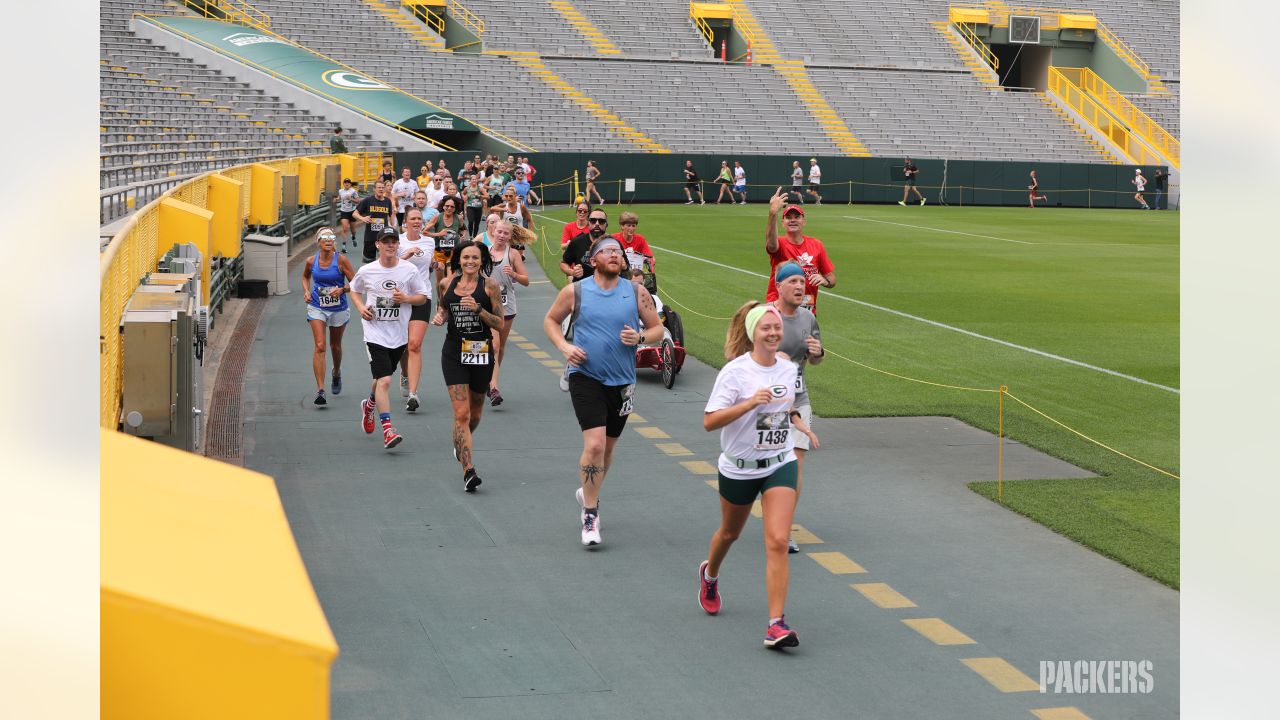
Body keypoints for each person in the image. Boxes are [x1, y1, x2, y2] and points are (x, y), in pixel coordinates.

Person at [696, 301, 818, 648]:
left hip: (780, 462)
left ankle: (776, 624)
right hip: (740, 467)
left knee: (778, 540)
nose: (773, 333)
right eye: (766, 328)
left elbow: (784, 406)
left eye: (777, 328)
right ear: (752, 333)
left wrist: (799, 425)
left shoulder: (786, 367)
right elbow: (709, 421)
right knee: (730, 533)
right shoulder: (735, 373)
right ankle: (710, 573)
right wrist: (749, 403)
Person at [543, 236, 664, 546]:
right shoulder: (576, 291)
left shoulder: (636, 292)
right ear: (593, 259)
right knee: (595, 445)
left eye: (617, 251)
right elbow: (551, 321)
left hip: (622, 381)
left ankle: (588, 490)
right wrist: (564, 346)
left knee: (608, 449)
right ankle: (591, 513)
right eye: (607, 251)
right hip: (585, 376)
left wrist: (639, 337)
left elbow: (657, 329)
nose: (614, 254)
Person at [432, 240, 504, 492]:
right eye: (465, 258)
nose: (470, 262)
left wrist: (479, 310)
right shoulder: (446, 283)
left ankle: (461, 442)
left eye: (475, 258)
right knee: (461, 414)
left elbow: (499, 323)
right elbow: (443, 308)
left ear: (482, 261)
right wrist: (440, 316)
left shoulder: (490, 286)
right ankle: (469, 470)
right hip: (453, 353)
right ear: (459, 260)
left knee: (474, 415)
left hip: (481, 353)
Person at [349, 227, 429, 450]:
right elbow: (354, 289)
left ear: (398, 245)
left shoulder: (409, 270)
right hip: (374, 332)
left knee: (381, 378)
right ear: (378, 245)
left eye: (394, 241)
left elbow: (422, 298)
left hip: (399, 334)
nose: (390, 245)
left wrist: (406, 298)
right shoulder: (367, 270)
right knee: (385, 380)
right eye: (386, 242)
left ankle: (369, 404)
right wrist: (360, 307)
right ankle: (388, 431)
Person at [769, 263, 825, 554]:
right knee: (770, 463)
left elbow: (815, 359)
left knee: (795, 464)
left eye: (802, 281)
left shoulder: (808, 317)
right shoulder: (767, 317)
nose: (800, 286)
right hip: (768, 402)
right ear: (779, 285)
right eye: (792, 281)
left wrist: (818, 353)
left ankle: (785, 526)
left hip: (799, 399)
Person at [301, 228, 356, 406]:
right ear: (318, 242)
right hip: (317, 306)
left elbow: (356, 282)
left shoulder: (341, 260)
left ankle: (336, 372)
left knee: (335, 346)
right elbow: (305, 276)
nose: (328, 240)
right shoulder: (311, 261)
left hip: (338, 307)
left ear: (334, 241)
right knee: (320, 346)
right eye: (324, 237)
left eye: (331, 237)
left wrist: (343, 289)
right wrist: (307, 290)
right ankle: (320, 390)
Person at [764, 189, 836, 314]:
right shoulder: (780, 243)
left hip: (807, 311)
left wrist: (825, 280)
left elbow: (832, 279)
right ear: (783, 223)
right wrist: (773, 213)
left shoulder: (816, 245)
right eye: (788, 217)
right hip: (779, 310)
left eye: (797, 217)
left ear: (804, 222)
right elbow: (771, 243)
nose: (792, 220)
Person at [395, 207, 435, 412]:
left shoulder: (429, 241)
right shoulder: (398, 241)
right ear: (406, 222)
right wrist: (407, 255)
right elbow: (390, 266)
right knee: (403, 346)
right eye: (413, 218)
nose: (417, 221)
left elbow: (429, 266)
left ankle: (413, 393)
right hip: (401, 298)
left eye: (420, 218)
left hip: (422, 297)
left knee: (415, 344)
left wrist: (435, 265)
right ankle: (404, 374)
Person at [486, 221, 530, 406]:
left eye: (505, 233)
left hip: (507, 306)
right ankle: (494, 387)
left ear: (510, 236)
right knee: (494, 345)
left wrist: (513, 274)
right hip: (488, 306)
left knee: (500, 347)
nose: (502, 235)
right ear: (493, 232)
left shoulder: (512, 254)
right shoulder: (484, 252)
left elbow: (526, 280)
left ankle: (491, 379)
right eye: (499, 232)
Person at [427, 195, 468, 303]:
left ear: (455, 208)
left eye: (452, 207)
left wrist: (463, 236)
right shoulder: (437, 217)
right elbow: (424, 231)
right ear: (443, 206)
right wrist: (438, 234)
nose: (449, 209)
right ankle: (440, 301)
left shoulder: (458, 218)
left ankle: (449, 302)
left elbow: (463, 230)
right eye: (447, 206)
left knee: (451, 279)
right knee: (440, 282)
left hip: (453, 253)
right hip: (439, 253)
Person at [353, 180, 394, 262]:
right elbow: (354, 213)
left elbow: (390, 215)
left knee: (384, 261)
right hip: (370, 237)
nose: (381, 189)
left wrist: (392, 227)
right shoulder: (368, 200)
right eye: (379, 187)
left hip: (383, 237)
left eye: (383, 187)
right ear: (374, 189)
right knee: (369, 262)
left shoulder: (387, 201)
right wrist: (363, 218)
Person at [336, 178, 360, 253]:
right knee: (345, 228)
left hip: (352, 211)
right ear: (343, 184)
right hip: (344, 211)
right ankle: (344, 245)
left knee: (353, 230)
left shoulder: (353, 191)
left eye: (348, 183)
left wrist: (351, 199)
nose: (347, 184)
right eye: (345, 182)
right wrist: (336, 199)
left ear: (350, 184)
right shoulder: (340, 191)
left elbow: (358, 201)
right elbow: (339, 198)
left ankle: (353, 237)